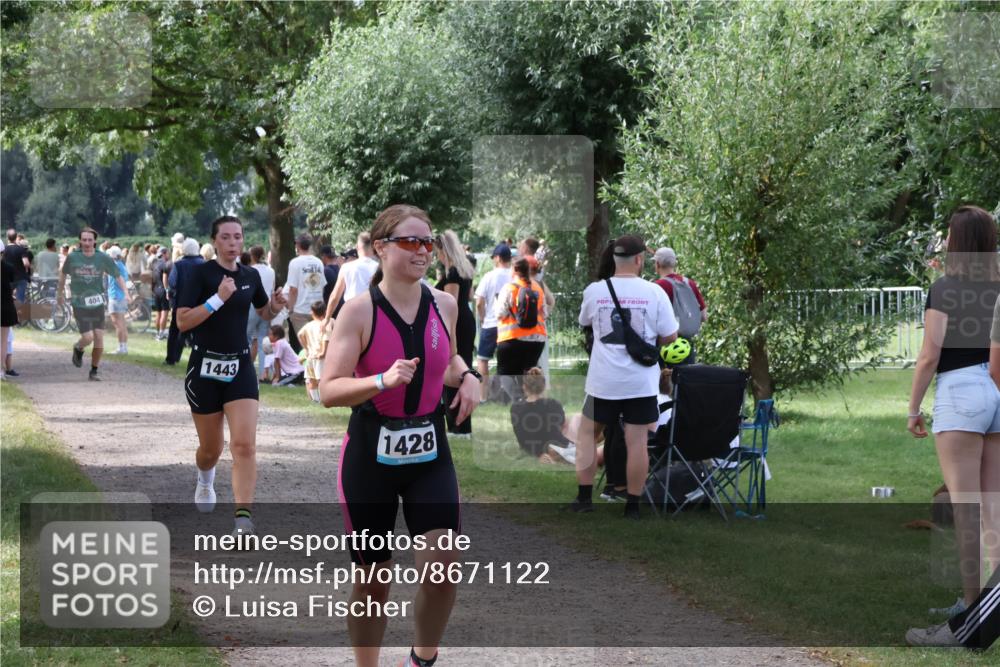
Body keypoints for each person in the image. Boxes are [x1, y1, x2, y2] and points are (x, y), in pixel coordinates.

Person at [320, 204, 480, 667]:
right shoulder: (359, 310)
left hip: (430, 451)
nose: (422, 250)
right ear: (380, 248)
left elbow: (445, 362)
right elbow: (330, 390)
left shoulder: (444, 304)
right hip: (371, 454)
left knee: (444, 564)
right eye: (410, 242)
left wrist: (467, 374)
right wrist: (381, 381)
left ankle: (422, 659)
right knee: (373, 579)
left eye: (427, 242)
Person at [906, 205, 1000, 644]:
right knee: (993, 510)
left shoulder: (945, 287)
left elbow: (929, 354)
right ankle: (987, 606)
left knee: (967, 510)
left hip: (961, 392)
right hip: (994, 388)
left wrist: (912, 408)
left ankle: (969, 615)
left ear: (957, 240)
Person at [176, 215, 286, 536]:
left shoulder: (251, 275)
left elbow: (264, 311)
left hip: (239, 367)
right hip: (204, 368)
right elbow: (183, 321)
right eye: (225, 237)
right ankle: (205, 478)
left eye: (238, 237)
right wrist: (217, 300)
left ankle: (242, 517)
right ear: (214, 241)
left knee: (244, 445)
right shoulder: (200, 274)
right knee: (212, 449)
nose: (233, 243)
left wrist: (276, 306)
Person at [571, 234, 678, 519]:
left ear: (614, 258)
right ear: (640, 260)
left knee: (586, 436)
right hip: (640, 381)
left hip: (602, 381)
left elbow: (585, 322)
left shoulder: (595, 290)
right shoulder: (655, 292)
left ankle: (584, 497)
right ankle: (632, 504)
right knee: (637, 442)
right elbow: (670, 336)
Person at [57, 227, 127, 382]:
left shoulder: (102, 258)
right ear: (80, 241)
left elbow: (117, 275)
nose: (87, 243)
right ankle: (78, 347)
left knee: (99, 337)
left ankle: (94, 371)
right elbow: (63, 274)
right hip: (79, 302)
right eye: (84, 240)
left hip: (97, 303)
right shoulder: (73, 257)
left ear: (95, 241)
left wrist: (127, 292)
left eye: (90, 240)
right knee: (88, 337)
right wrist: (59, 293)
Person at [434, 230, 477, 436]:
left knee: (452, 369)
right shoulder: (466, 270)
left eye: (437, 252)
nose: (436, 257)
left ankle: (456, 425)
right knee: (464, 369)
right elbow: (469, 296)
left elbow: (450, 304)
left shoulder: (451, 274)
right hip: (467, 321)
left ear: (444, 250)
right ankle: (463, 425)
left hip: (456, 323)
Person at [494, 256, 548, 402]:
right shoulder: (538, 288)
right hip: (537, 339)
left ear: (514, 270)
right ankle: (533, 400)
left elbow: (499, 313)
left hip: (512, 338)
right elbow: (545, 313)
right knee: (529, 372)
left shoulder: (509, 288)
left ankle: (519, 400)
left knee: (505, 373)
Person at [653, 247, 707, 364]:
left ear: (657, 264)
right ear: (674, 263)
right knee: (686, 381)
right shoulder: (689, 283)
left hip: (664, 348)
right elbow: (703, 316)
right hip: (685, 347)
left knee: (664, 381)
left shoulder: (656, 287)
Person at [474, 244, 513, 401]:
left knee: (483, 360)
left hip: (491, 323)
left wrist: (482, 317)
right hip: (510, 325)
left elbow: (479, 302)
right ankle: (509, 395)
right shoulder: (514, 276)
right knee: (509, 362)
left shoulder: (489, 276)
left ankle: (483, 397)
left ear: (497, 258)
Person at [510, 367, 574, 462]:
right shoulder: (553, 404)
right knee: (575, 420)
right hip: (553, 445)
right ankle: (556, 452)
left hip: (530, 449)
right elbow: (562, 425)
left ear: (524, 386)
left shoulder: (515, 407)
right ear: (544, 386)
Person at [165, 239, 205, 365]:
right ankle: (198, 361)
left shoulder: (178, 264)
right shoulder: (204, 264)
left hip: (181, 302)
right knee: (198, 333)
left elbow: (172, 283)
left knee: (175, 331)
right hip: (199, 305)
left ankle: (171, 358)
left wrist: (172, 296)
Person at [324, 231, 378, 324]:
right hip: (374, 312)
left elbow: (335, 296)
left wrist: (327, 318)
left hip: (351, 313)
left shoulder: (347, 267)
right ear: (373, 246)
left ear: (357, 247)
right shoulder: (379, 268)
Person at [286, 234, 327, 354]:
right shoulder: (318, 262)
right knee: (317, 343)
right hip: (317, 308)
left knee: (306, 346)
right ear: (310, 245)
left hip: (300, 310)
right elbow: (322, 285)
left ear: (297, 246)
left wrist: (290, 309)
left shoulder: (294, 263)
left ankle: (310, 371)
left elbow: (293, 289)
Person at [246, 245, 276, 380]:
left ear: (252, 256)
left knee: (247, 338)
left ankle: (245, 369)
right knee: (263, 339)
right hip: (266, 305)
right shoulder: (270, 271)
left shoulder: (249, 270)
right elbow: (272, 288)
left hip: (252, 305)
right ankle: (264, 373)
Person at [296, 301, 329, 401]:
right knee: (321, 379)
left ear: (312, 312)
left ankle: (315, 400)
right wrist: (323, 352)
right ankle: (323, 399)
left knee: (311, 379)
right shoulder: (324, 325)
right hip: (320, 356)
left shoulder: (308, 325)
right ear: (325, 312)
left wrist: (306, 348)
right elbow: (326, 339)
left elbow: (300, 335)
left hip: (310, 356)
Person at [105, 246, 130, 355]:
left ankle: (121, 348)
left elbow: (119, 280)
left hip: (115, 296)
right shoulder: (121, 265)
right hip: (121, 297)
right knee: (122, 323)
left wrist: (126, 293)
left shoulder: (114, 266)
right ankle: (124, 347)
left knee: (117, 323)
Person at [1, 241, 18, 381]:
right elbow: (12, 285)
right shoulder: (9, 268)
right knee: (3, 341)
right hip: (5, 307)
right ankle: (1, 370)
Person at [150, 247, 171, 340]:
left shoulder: (154, 264)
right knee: (164, 312)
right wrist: (167, 290)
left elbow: (152, 279)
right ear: (164, 254)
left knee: (158, 313)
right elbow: (166, 278)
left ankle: (158, 333)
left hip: (155, 289)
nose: (169, 255)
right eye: (168, 253)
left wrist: (152, 289)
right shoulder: (165, 264)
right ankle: (161, 334)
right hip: (163, 289)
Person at [5, 229, 31, 304]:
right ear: (16, 237)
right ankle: (18, 313)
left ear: (7, 238)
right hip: (21, 278)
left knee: (6, 298)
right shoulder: (21, 249)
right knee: (20, 300)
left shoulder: (4, 250)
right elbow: (26, 263)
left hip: (8, 278)